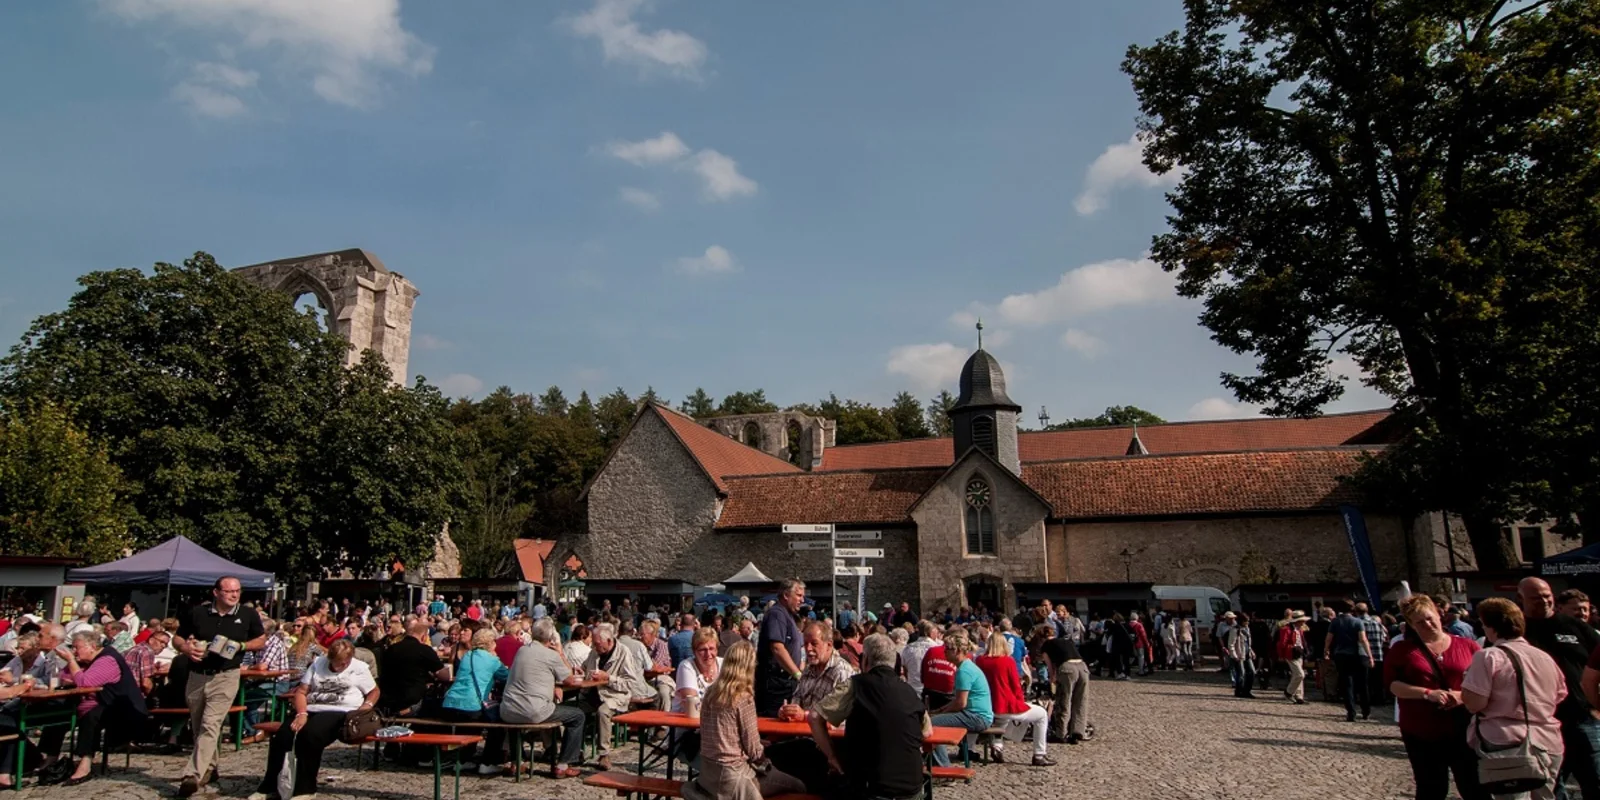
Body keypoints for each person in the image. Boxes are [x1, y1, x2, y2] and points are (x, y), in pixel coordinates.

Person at [248, 639, 379, 800]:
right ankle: (271, 785)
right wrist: (301, 713)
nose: (340, 667)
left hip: (341, 710)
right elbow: (302, 691)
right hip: (312, 706)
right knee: (282, 735)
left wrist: (367, 705)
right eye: (337, 663)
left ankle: (305, 788)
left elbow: (374, 691)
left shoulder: (359, 668)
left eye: (344, 663)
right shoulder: (318, 664)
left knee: (311, 735)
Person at [1462, 597, 1565, 800]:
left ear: (1491, 627)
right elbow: (1559, 695)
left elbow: (1475, 704)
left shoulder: (1489, 656)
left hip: (1507, 742)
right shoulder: (1544, 657)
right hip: (1548, 740)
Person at [1384, 595, 1486, 800]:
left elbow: (1484, 684)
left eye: (1430, 618)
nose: (1427, 624)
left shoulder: (1469, 646)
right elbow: (1393, 685)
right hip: (1421, 730)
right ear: (1411, 624)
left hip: (1463, 728)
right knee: (1431, 787)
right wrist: (1427, 694)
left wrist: (1460, 696)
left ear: (1440, 615)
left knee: (1473, 786)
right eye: (1420, 622)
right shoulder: (1403, 650)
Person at [173, 576, 266, 797]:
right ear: (216, 592)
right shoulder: (198, 613)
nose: (234, 595)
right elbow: (177, 639)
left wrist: (242, 645)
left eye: (238, 591)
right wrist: (186, 649)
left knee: (210, 723)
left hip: (226, 676)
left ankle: (192, 775)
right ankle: (210, 767)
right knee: (199, 727)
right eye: (229, 591)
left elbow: (261, 639)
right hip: (197, 675)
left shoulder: (247, 614)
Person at [808, 633, 928, 800]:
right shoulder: (909, 691)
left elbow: (814, 717)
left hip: (870, 788)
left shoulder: (856, 685)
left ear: (865, 660)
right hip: (912, 788)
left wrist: (832, 756)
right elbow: (927, 732)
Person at [681, 641, 805, 800]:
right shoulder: (742, 698)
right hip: (734, 778)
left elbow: (722, 735)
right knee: (798, 786)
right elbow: (754, 751)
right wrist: (768, 765)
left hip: (708, 776)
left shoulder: (711, 692)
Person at [1518, 576, 1600, 797]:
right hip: (1540, 722)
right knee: (1551, 785)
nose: (1543, 601)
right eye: (1536, 598)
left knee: (1595, 779)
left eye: (1547, 596)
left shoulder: (1576, 627)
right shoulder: (1517, 631)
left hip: (1582, 716)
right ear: (1521, 598)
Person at [498, 619, 586, 779]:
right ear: (551, 637)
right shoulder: (551, 655)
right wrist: (560, 653)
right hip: (533, 710)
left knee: (516, 716)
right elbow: (570, 679)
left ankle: (517, 761)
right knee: (578, 716)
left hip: (507, 709)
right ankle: (563, 764)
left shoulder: (522, 650)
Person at [581, 622, 653, 771]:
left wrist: (608, 678)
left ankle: (604, 754)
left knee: (603, 711)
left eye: (598, 644)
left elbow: (630, 683)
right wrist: (581, 672)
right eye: (594, 644)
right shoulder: (595, 651)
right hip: (592, 693)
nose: (595, 647)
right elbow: (585, 667)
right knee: (574, 712)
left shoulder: (623, 652)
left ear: (609, 641)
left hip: (615, 696)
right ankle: (573, 752)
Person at [975, 631, 1054, 766]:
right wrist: (1020, 701)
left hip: (988, 704)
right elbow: (1015, 685)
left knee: (1001, 721)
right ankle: (1039, 754)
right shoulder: (1007, 661)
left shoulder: (980, 661)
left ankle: (997, 747)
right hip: (1005, 703)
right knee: (1041, 715)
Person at [442, 628, 509, 768]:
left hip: (450, 703)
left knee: (468, 724)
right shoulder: (492, 660)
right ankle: (489, 761)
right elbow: (507, 677)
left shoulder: (468, 656)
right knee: (497, 724)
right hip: (472, 705)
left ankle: (464, 759)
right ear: (491, 643)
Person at [927, 629, 993, 768]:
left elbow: (960, 703)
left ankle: (943, 767)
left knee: (931, 725)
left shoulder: (964, 671)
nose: (944, 651)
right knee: (934, 720)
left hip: (977, 716)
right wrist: (941, 710)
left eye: (948, 649)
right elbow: (958, 701)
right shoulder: (966, 667)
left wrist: (940, 713)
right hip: (977, 714)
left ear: (957, 651)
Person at [755, 579, 806, 718]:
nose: (802, 600)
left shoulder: (789, 616)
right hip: (776, 684)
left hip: (786, 682)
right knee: (776, 723)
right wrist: (797, 674)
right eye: (799, 595)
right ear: (785, 595)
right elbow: (777, 647)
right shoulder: (777, 614)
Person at [1324, 600, 1373, 721]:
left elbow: (1329, 638)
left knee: (1347, 684)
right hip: (1357, 655)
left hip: (1341, 654)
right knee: (1362, 684)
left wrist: (1326, 650)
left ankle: (1351, 712)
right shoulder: (1358, 622)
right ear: (1352, 609)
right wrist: (1370, 655)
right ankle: (1366, 710)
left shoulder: (1335, 622)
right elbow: (1363, 639)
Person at [1356, 603, 1389, 703]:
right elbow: (1383, 638)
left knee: (1366, 680)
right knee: (1378, 679)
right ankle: (1380, 698)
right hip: (1378, 653)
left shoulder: (1359, 623)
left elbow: (1360, 639)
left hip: (1365, 654)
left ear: (1356, 611)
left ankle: (1368, 699)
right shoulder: (1377, 623)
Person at [1276, 612, 1310, 705]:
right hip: (1290, 653)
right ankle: (1289, 692)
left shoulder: (1300, 630)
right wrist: (1281, 655)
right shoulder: (1286, 629)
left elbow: (1303, 642)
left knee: (1297, 675)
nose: (1303, 622)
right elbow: (1282, 644)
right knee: (1300, 674)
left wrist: (1306, 652)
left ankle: (1299, 696)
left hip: (1299, 653)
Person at [900, 621, 940, 697]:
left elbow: (905, 669)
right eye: (936, 631)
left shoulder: (908, 648)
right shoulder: (938, 649)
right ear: (931, 632)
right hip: (932, 691)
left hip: (913, 689)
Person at [1226, 613, 1257, 698]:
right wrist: (1234, 655)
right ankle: (1240, 690)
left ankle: (1247, 690)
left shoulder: (1247, 629)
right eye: (1246, 621)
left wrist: (1251, 652)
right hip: (1239, 654)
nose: (1248, 623)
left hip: (1247, 653)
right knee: (1241, 674)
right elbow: (1231, 644)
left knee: (1252, 672)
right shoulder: (1235, 630)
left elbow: (1248, 643)